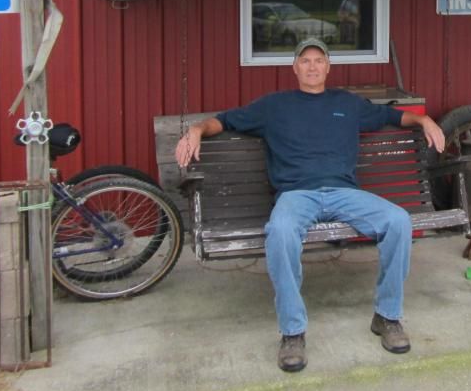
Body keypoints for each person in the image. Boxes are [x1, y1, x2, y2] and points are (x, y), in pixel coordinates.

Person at [174, 37, 446, 373]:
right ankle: (292, 332)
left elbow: (393, 116)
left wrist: (424, 121)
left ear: (328, 67)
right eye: (305, 61)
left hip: (344, 193)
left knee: (398, 221)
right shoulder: (273, 106)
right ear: (295, 67)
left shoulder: (348, 104)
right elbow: (225, 121)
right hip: (296, 194)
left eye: (319, 60)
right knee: (280, 231)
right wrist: (197, 130)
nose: (312, 66)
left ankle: (387, 316)